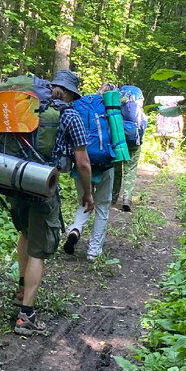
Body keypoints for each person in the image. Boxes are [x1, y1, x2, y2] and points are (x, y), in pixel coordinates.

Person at [9, 69, 88, 336]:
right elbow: (83, 161)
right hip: (44, 187)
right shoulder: (69, 115)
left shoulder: (26, 105)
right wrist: (87, 193)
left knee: (25, 233)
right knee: (39, 251)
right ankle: (26, 315)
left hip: (14, 180)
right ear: (69, 93)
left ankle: (22, 288)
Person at [63, 82, 116, 262]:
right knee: (102, 206)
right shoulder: (111, 109)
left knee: (85, 201)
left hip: (81, 162)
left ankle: (75, 229)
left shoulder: (80, 104)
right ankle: (93, 251)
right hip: (105, 164)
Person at [111, 83, 147, 212]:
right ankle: (127, 199)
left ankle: (113, 197)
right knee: (130, 170)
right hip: (134, 143)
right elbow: (143, 124)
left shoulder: (118, 99)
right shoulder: (137, 103)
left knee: (116, 170)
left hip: (119, 141)